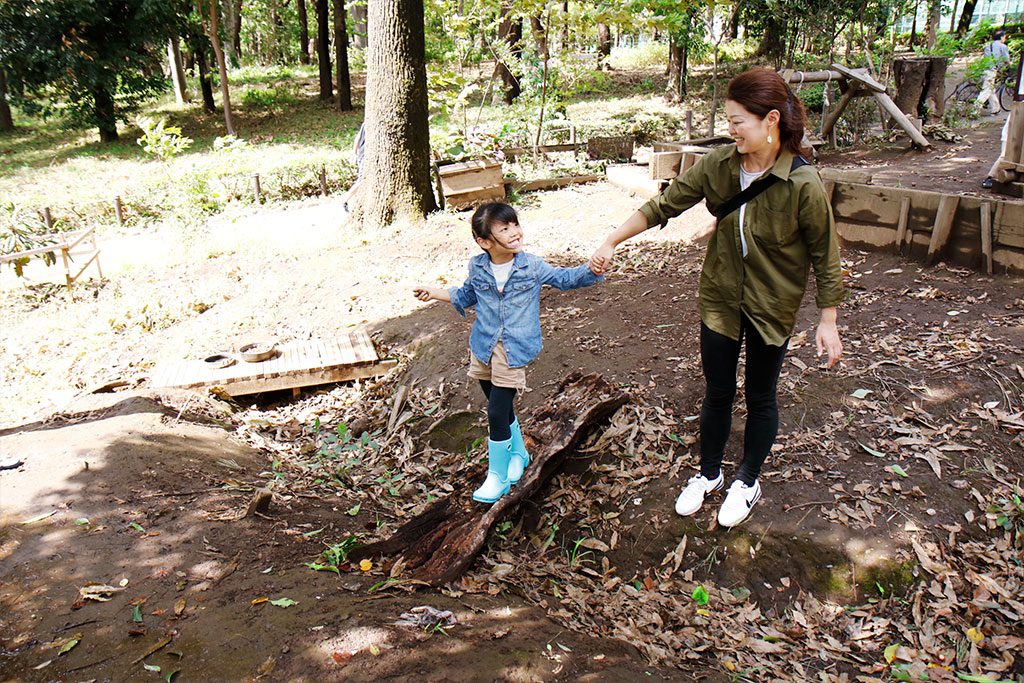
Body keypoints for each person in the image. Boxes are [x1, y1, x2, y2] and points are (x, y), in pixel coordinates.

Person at [589, 67, 844, 527]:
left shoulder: (802, 183)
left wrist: (828, 320)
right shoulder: (721, 165)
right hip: (721, 300)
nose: (731, 130)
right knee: (718, 391)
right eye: (728, 121)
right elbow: (664, 204)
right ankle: (709, 474)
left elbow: (825, 253)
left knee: (761, 395)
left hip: (772, 306)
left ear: (771, 120)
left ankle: (747, 480)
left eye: (737, 121)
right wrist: (612, 239)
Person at [413, 203, 604, 504]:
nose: (515, 232)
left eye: (515, 224)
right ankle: (519, 454)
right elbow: (467, 295)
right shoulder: (478, 267)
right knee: (498, 405)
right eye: (504, 229)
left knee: (496, 412)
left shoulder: (531, 266)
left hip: (513, 349)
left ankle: (498, 476)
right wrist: (434, 293)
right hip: (483, 345)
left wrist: (591, 270)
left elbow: (564, 279)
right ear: (484, 242)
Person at [977, 30, 1010, 116]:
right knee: (986, 90)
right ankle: (973, 110)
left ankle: (996, 109)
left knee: (991, 90)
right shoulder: (1003, 46)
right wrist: (1009, 66)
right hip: (992, 70)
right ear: (1001, 37)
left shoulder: (989, 46)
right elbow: (1006, 59)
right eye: (1005, 37)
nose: (1005, 38)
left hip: (985, 69)